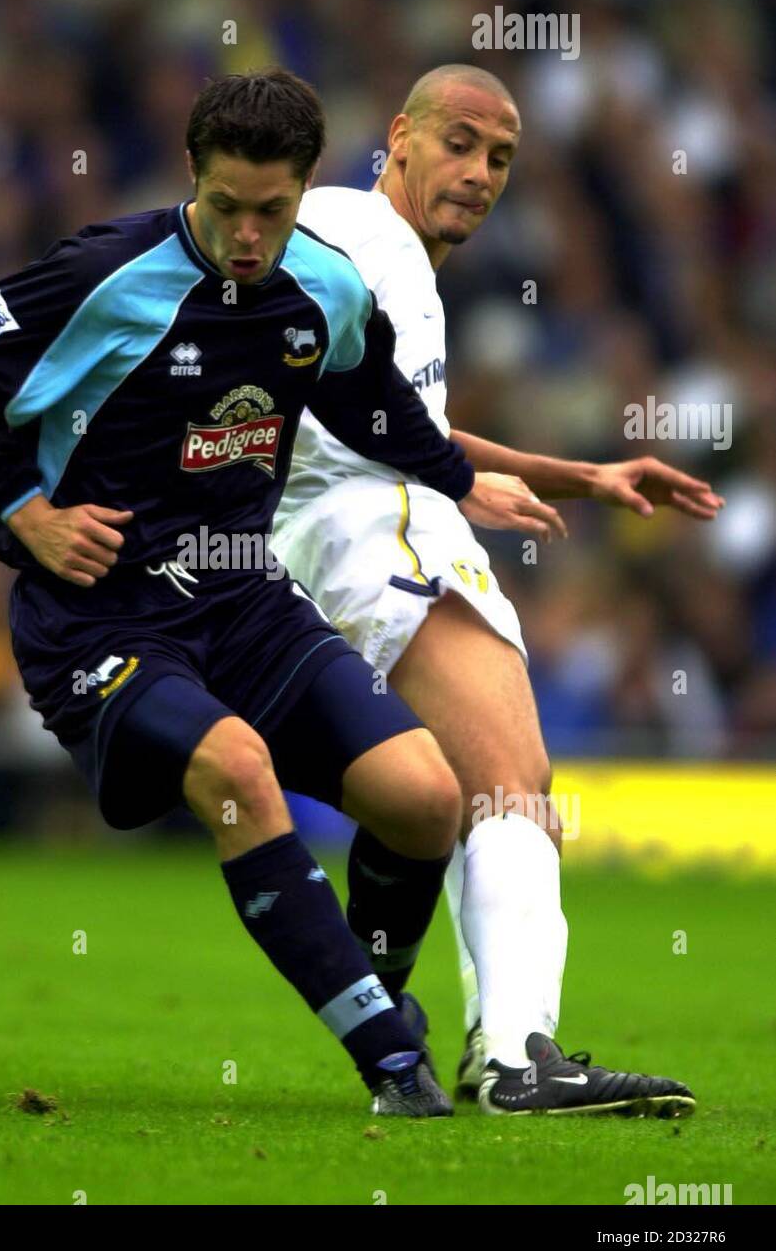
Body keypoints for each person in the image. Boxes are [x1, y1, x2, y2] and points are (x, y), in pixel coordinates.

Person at [0, 68, 554, 1117]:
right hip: (100, 616)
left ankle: (371, 989)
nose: (249, 237)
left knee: (428, 799)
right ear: (192, 178)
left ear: (306, 190)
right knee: (238, 767)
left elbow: (369, 401)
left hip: (245, 600)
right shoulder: (106, 273)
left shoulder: (328, 285)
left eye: (273, 211)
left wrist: (462, 478)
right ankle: (395, 1063)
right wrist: (22, 507)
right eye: (227, 209)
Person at [274, 64, 715, 1116]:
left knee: (441, 796)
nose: (479, 173)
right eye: (460, 144)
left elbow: (392, 419)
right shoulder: (349, 228)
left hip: (338, 531)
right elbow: (343, 418)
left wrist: (582, 475)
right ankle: (517, 1058)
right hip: (367, 528)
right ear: (401, 139)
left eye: (501, 158)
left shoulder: (400, 272)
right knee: (512, 783)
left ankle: (420, 1026)